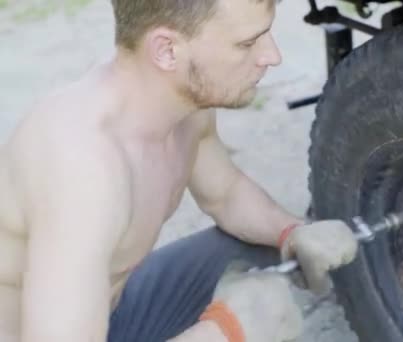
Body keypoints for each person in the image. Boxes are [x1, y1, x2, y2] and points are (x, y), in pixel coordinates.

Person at [0, 0, 359, 341]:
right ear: (167, 50)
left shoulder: (182, 100)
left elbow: (226, 194)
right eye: (246, 44)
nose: (272, 56)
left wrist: (291, 231)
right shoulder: (83, 167)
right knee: (248, 319)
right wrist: (227, 331)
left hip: (108, 315)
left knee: (255, 249)